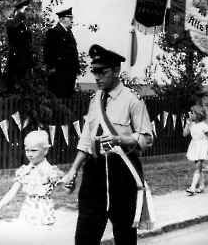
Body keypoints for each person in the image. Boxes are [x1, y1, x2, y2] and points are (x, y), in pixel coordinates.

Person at [61, 44, 154, 245]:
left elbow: (146, 138)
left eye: (102, 72)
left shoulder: (133, 100)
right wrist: (73, 170)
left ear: (116, 71)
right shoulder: (94, 100)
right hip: (94, 171)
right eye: (94, 71)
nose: (97, 77)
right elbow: (86, 139)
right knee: (86, 233)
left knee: (124, 234)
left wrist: (120, 139)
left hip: (123, 171)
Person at [0, 130, 64, 225]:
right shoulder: (24, 171)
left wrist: (69, 184)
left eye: (34, 150)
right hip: (27, 213)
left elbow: (67, 189)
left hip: (43, 213)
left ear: (45, 150)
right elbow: (12, 191)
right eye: (27, 150)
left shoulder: (51, 171)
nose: (29, 154)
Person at [43, 7, 80, 98]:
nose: (72, 21)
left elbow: (73, 51)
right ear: (62, 19)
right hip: (59, 73)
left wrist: (76, 67)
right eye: (70, 18)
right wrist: (51, 68)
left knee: (68, 97)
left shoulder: (69, 34)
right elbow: (48, 52)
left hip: (70, 72)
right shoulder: (54, 32)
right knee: (58, 96)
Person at [183, 104, 208, 195]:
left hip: (202, 146)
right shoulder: (191, 124)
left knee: (198, 166)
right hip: (194, 146)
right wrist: (187, 125)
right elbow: (185, 134)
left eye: (192, 113)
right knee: (198, 167)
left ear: (198, 114)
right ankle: (201, 185)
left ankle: (192, 187)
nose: (190, 114)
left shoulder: (203, 125)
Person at [5, 0, 33, 92]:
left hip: (24, 61)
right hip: (15, 61)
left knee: (24, 89)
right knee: (13, 89)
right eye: (27, 10)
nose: (29, 13)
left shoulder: (24, 25)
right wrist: (20, 13)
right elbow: (12, 26)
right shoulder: (11, 22)